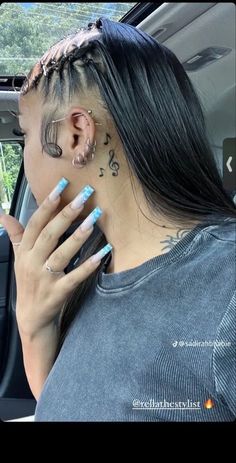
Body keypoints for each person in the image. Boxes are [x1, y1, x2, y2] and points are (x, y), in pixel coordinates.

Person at [0, 17, 235, 422]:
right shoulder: (90, 263)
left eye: (25, 137)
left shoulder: (227, 284)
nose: (26, 156)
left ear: (77, 135)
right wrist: (34, 326)